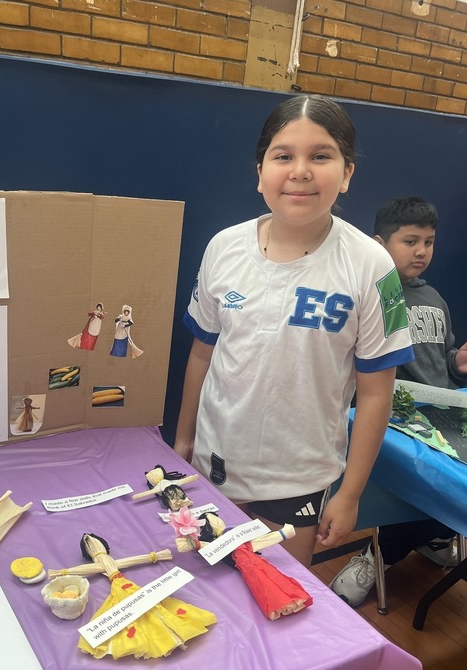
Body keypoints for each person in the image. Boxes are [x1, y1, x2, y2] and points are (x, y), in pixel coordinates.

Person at [173, 93, 414, 574]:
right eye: (283, 156)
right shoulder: (223, 247)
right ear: (260, 171)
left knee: (274, 596)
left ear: (346, 173)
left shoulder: (373, 266)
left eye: (320, 156)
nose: (300, 171)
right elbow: (203, 353)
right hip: (213, 461)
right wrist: (182, 441)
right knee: (208, 588)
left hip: (297, 479)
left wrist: (350, 494)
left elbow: (375, 394)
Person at [330, 197, 467, 607]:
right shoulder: (371, 295)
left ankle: (434, 534)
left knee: (455, 485)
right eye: (410, 241)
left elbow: (440, 359)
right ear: (379, 244)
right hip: (392, 421)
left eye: (428, 242)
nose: (421, 251)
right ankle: (380, 555)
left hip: (441, 415)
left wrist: (457, 364)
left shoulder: (435, 298)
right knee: (413, 484)